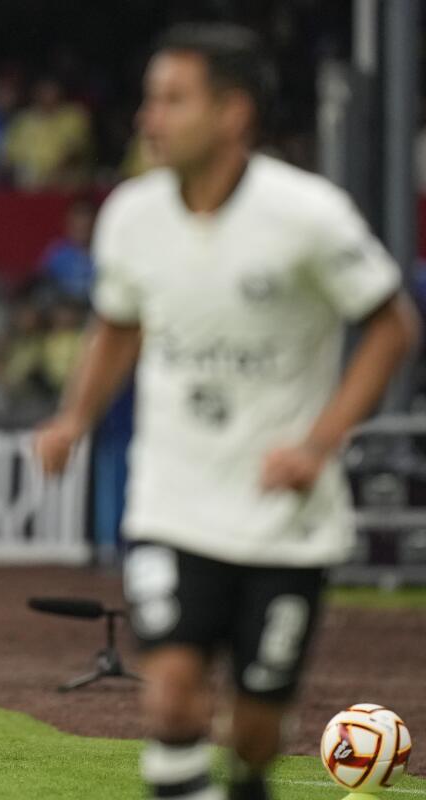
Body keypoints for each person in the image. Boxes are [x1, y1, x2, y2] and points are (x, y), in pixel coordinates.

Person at [35, 24, 419, 800]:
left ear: (233, 112)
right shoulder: (131, 216)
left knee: (256, 724)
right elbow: (117, 325)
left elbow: (391, 327)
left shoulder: (308, 214)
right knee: (172, 691)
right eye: (150, 100)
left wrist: (318, 445)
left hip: (285, 514)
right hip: (172, 498)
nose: (150, 118)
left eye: (174, 100)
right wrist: (74, 416)